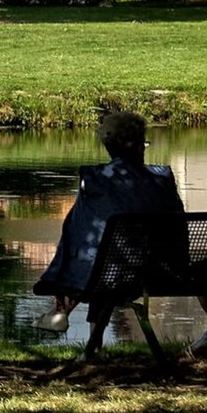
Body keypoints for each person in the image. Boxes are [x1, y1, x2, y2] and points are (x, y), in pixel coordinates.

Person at [37, 109, 182, 333]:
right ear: (138, 146)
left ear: (109, 147)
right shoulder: (163, 178)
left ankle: (62, 310)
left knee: (84, 232)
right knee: (107, 257)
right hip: (167, 271)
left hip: (112, 274)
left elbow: (77, 235)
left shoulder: (96, 180)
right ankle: (86, 335)